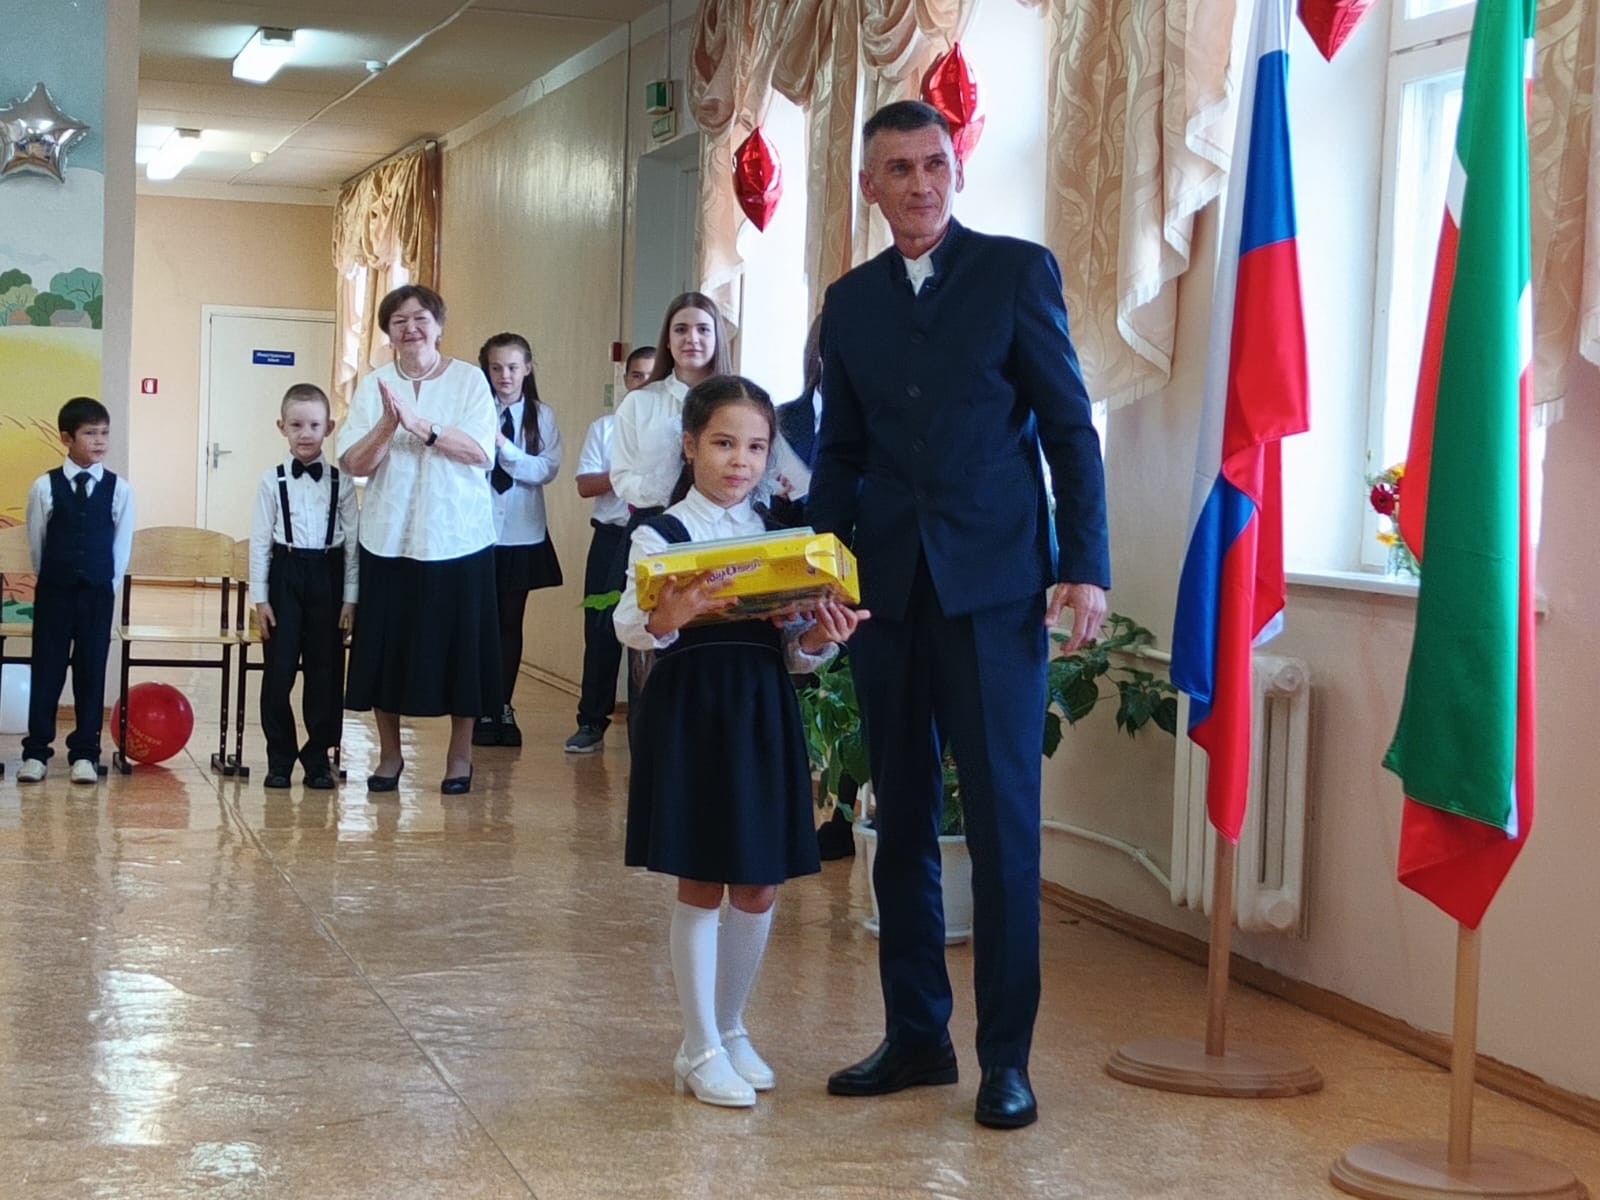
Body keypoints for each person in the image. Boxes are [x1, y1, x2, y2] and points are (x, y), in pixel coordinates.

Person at [809, 101, 1110, 1130]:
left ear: (957, 170)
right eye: (898, 169)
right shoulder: (849, 302)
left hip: (993, 591)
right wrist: (822, 567)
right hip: (885, 593)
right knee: (896, 818)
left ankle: (1006, 1061)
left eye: (935, 163)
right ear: (870, 187)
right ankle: (916, 1037)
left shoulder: (1015, 273)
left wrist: (1086, 568)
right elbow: (841, 451)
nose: (921, 183)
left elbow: (1068, 429)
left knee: (1002, 825)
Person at [615, 375, 869, 1108]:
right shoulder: (660, 534)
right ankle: (696, 1047)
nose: (740, 461)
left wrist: (821, 636)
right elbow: (630, 624)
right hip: (692, 710)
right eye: (724, 443)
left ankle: (728, 1028)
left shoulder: (783, 537)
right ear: (690, 445)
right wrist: (672, 615)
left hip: (762, 709)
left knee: (759, 882)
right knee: (702, 877)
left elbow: (796, 653)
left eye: (756, 447)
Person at [335, 284, 499, 796]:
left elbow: (481, 453)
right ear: (388, 332)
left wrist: (423, 427)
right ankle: (389, 755)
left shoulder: (469, 380)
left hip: (459, 539)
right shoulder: (375, 385)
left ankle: (460, 755)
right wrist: (388, 425)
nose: (411, 328)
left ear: (439, 326)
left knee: (462, 651)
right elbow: (353, 462)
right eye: (399, 321)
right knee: (386, 649)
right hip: (390, 538)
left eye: (421, 318)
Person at [17, 397, 135, 786]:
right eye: (89, 434)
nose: (99, 441)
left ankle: (85, 752)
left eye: (104, 433)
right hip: (55, 593)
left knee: (91, 670)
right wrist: (53, 578)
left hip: (97, 596)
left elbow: (121, 548)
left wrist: (104, 585)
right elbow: (37, 542)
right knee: (46, 669)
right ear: (67, 438)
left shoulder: (119, 489)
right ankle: (36, 752)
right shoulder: (44, 486)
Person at [249, 383, 360, 790]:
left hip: (328, 576)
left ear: (329, 428)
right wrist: (260, 598)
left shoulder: (341, 482)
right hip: (286, 574)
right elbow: (260, 542)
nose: (305, 433)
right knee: (278, 673)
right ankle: (279, 759)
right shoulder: (271, 481)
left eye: (314, 425)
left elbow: (352, 545)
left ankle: (317, 759)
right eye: (296, 425)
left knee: (325, 673)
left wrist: (350, 597)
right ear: (282, 427)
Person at [473, 333, 564, 749]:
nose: (504, 376)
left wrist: (505, 448)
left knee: (510, 623)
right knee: (482, 623)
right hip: (478, 533)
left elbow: (545, 469)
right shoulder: (475, 410)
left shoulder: (541, 416)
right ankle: (480, 706)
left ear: (527, 368)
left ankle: (503, 706)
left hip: (522, 533)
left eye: (512, 367)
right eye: (496, 368)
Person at [564, 346, 654, 754]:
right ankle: (590, 721)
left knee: (649, 632)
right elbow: (586, 485)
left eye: (652, 376)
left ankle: (645, 724)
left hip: (652, 537)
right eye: (637, 376)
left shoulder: (673, 428)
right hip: (611, 537)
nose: (644, 383)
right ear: (626, 381)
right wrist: (626, 475)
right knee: (601, 629)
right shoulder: (605, 428)